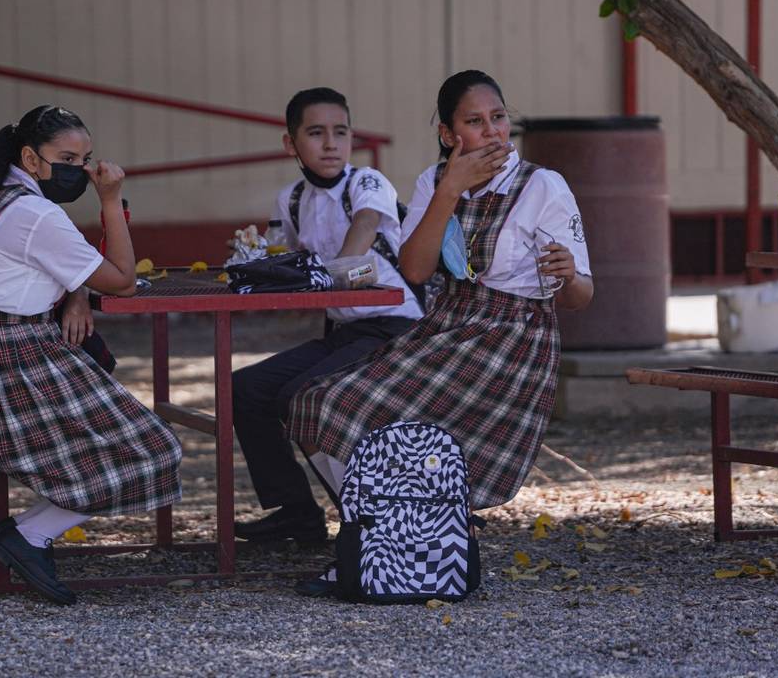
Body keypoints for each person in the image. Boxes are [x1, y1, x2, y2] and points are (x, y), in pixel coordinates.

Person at [287, 71, 593, 595]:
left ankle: (395, 551)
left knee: (352, 411)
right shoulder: (435, 180)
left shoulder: (542, 186)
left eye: (499, 118)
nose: (494, 132)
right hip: (447, 324)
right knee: (311, 405)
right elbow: (415, 270)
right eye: (475, 122)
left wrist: (569, 274)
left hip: (510, 336)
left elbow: (581, 295)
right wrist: (450, 188)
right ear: (450, 135)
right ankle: (384, 545)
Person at [0, 105, 182, 606]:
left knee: (116, 442)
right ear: (31, 157)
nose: (81, 171)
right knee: (155, 451)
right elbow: (125, 281)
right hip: (13, 362)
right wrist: (110, 199)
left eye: (87, 159)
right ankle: (28, 535)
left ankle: (26, 534)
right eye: (67, 158)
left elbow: (44, 266)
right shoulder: (35, 213)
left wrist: (77, 293)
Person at [232, 87, 423, 544]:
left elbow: (362, 236)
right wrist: (251, 257)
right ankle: (297, 511)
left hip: (398, 327)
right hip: (345, 330)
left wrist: (323, 274)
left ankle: (367, 525)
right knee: (246, 389)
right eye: (316, 133)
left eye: (341, 132)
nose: (331, 144)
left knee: (303, 395)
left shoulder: (367, 183)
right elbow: (280, 259)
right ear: (290, 144)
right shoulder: (291, 199)